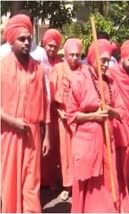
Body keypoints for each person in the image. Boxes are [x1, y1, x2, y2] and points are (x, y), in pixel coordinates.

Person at [66, 39, 125, 212]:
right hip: (87, 143)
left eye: (108, 60)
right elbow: (71, 115)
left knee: (107, 185)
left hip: (108, 143)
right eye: (103, 60)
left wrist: (110, 110)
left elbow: (122, 112)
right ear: (92, 59)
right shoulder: (79, 79)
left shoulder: (110, 82)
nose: (106, 65)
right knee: (88, 186)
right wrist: (94, 115)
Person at [1, 14, 50, 212]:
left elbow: (45, 103)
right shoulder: (1, 67)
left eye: (29, 38)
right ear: (11, 41)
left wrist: (47, 136)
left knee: (32, 183)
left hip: (33, 134)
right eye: (22, 39)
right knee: (10, 181)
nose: (27, 42)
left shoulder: (38, 69)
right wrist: (12, 121)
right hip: (9, 133)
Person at [108, 39, 129, 212]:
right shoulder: (112, 74)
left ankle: (126, 189)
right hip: (118, 124)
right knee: (117, 161)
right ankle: (118, 193)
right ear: (122, 58)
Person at [49, 38, 84, 201]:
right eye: (72, 55)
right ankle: (67, 185)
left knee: (79, 151)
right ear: (65, 55)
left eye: (78, 55)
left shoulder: (85, 70)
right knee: (64, 153)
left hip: (80, 118)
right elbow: (50, 96)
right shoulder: (57, 69)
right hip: (62, 119)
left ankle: (80, 184)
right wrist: (58, 111)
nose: (75, 58)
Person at [40, 28, 63, 190]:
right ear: (44, 44)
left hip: (56, 110)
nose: (52, 49)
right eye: (49, 45)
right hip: (40, 107)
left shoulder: (61, 63)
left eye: (55, 46)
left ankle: (53, 180)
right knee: (40, 143)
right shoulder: (38, 60)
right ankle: (41, 179)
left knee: (54, 145)